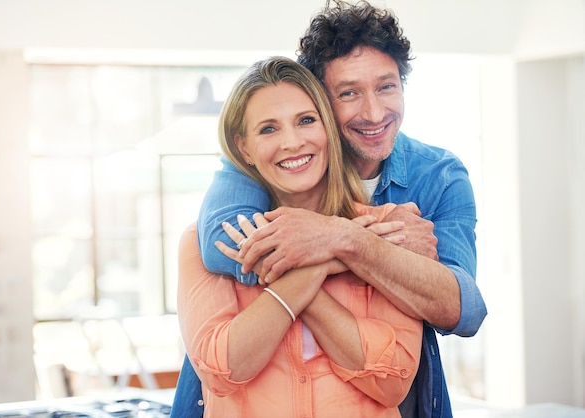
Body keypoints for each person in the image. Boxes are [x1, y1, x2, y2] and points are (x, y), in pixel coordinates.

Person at [172, 1, 487, 417]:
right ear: (320, 98)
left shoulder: (438, 175)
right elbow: (215, 246)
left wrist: (343, 238)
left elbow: (463, 311)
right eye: (349, 93)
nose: (374, 113)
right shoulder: (257, 164)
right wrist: (351, 251)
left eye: (387, 86)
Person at [177, 56, 423, 417]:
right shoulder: (206, 242)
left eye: (306, 121)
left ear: (329, 130)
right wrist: (333, 255)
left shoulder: (388, 228)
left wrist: (332, 244)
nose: (292, 142)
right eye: (268, 129)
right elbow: (223, 370)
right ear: (244, 148)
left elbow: (392, 381)